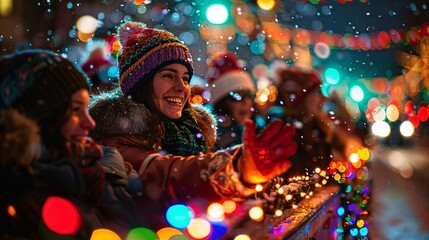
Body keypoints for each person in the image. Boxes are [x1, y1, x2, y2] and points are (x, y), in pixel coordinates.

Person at [88, 21, 298, 230]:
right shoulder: (118, 135)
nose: (181, 87)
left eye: (185, 78)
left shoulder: (193, 133)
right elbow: (168, 175)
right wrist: (235, 168)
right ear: (141, 83)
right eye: (169, 76)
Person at [0, 50, 145, 239]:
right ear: (40, 117)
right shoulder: (18, 193)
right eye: (76, 110)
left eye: (86, 108)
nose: (90, 123)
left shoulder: (92, 171)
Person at [268, 65, 363, 179]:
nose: (324, 98)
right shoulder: (285, 130)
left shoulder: (318, 128)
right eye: (317, 92)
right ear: (301, 98)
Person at [205, 51, 257, 150]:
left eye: (249, 95)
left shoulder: (260, 129)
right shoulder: (211, 139)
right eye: (238, 96)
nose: (246, 102)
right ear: (222, 104)